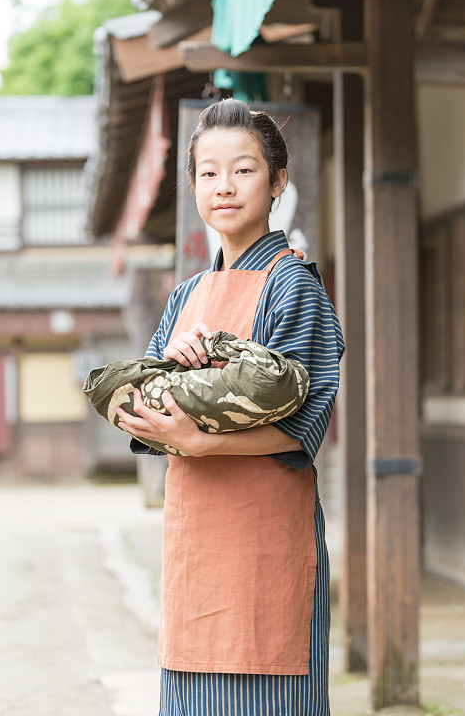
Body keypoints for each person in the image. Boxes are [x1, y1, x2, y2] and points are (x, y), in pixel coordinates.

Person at [116, 98, 345, 716]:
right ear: (192, 183)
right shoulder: (186, 294)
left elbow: (304, 426)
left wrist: (204, 441)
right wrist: (174, 369)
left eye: (243, 170)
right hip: (197, 540)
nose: (224, 186)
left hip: (265, 536)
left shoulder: (293, 282)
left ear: (277, 182)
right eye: (208, 172)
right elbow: (142, 408)